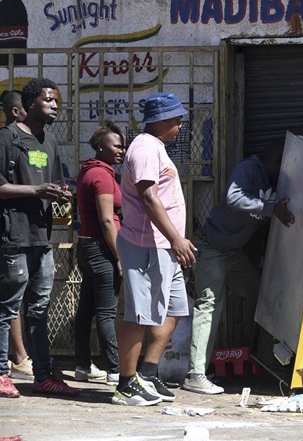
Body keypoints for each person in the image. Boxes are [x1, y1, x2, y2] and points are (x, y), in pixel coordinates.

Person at [182, 141, 294, 395]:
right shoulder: (250, 168)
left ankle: (248, 351)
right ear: (276, 162)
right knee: (209, 304)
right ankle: (195, 375)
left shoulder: (273, 182)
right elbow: (233, 197)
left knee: (258, 293)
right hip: (211, 248)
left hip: (233, 253)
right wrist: (269, 209)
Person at [112, 92, 197, 406]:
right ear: (162, 120)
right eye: (176, 120)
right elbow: (149, 198)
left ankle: (147, 373)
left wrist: (174, 242)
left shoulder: (155, 147)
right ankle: (125, 384)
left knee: (174, 310)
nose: (179, 125)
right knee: (139, 315)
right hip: (147, 245)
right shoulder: (146, 148)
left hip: (164, 247)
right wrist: (176, 238)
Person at [0, 78, 79, 397]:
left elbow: (57, 183)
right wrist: (35, 190)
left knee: (39, 309)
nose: (55, 106)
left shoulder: (49, 141)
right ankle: (2, 374)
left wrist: (63, 194)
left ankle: (43, 376)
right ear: (31, 103)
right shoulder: (7, 138)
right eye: (49, 100)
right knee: (7, 308)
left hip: (41, 239)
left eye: (57, 101)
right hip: (14, 238)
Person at [74, 120, 126, 385]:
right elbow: (107, 221)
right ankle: (116, 371)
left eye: (123, 146)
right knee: (106, 313)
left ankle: (83, 366)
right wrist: (119, 258)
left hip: (87, 247)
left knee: (86, 310)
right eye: (116, 145)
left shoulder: (88, 170)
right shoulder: (102, 175)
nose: (122, 150)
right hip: (102, 248)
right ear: (101, 145)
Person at [0, 90, 33, 382]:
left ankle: (20, 357)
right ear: (15, 111)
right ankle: (18, 358)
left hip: (17, 230)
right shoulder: (6, 139)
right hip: (8, 232)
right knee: (10, 299)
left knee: (13, 298)